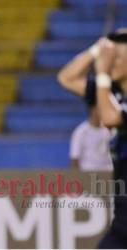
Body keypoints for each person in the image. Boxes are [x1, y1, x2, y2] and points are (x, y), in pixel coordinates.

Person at [58, 29, 127, 248]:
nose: (110, 62)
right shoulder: (112, 92)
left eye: (117, 58)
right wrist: (97, 49)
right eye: (110, 57)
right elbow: (66, 78)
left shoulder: (107, 91)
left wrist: (103, 73)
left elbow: (110, 117)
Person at [69, 106, 113, 171]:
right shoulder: (80, 132)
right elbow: (75, 158)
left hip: (108, 172)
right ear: (92, 110)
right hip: (88, 173)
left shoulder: (109, 130)